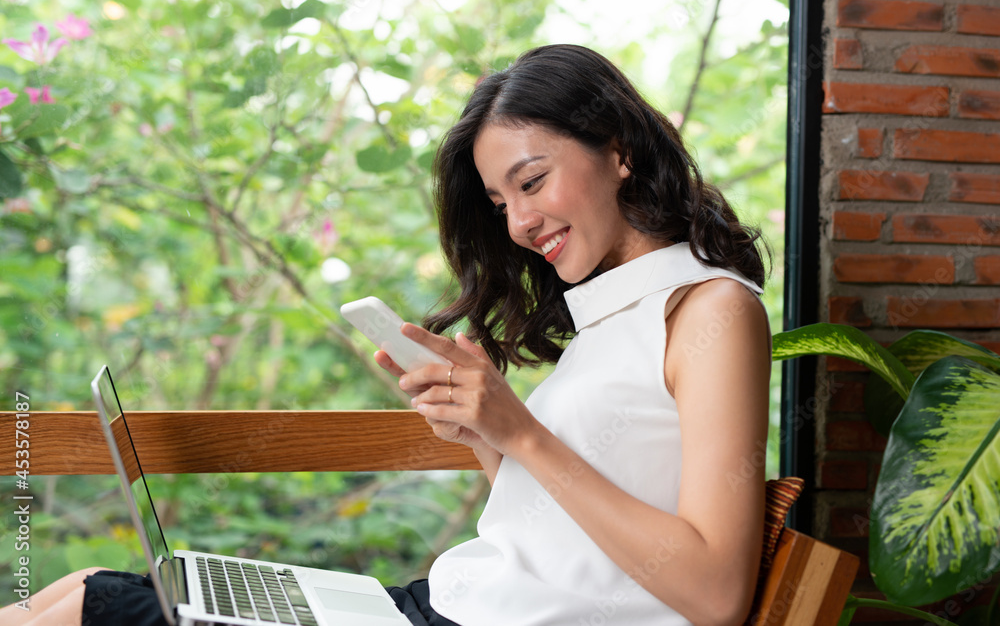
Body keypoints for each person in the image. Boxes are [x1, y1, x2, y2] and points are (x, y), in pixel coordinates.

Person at [1, 43, 771, 626]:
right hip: (450, 600)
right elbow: (559, 531)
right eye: (502, 201)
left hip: (467, 616)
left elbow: (716, 590)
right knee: (82, 585)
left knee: (89, 607)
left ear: (620, 151)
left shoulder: (711, 312)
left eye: (531, 181)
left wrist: (522, 431)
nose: (521, 222)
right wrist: (482, 431)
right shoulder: (615, 309)